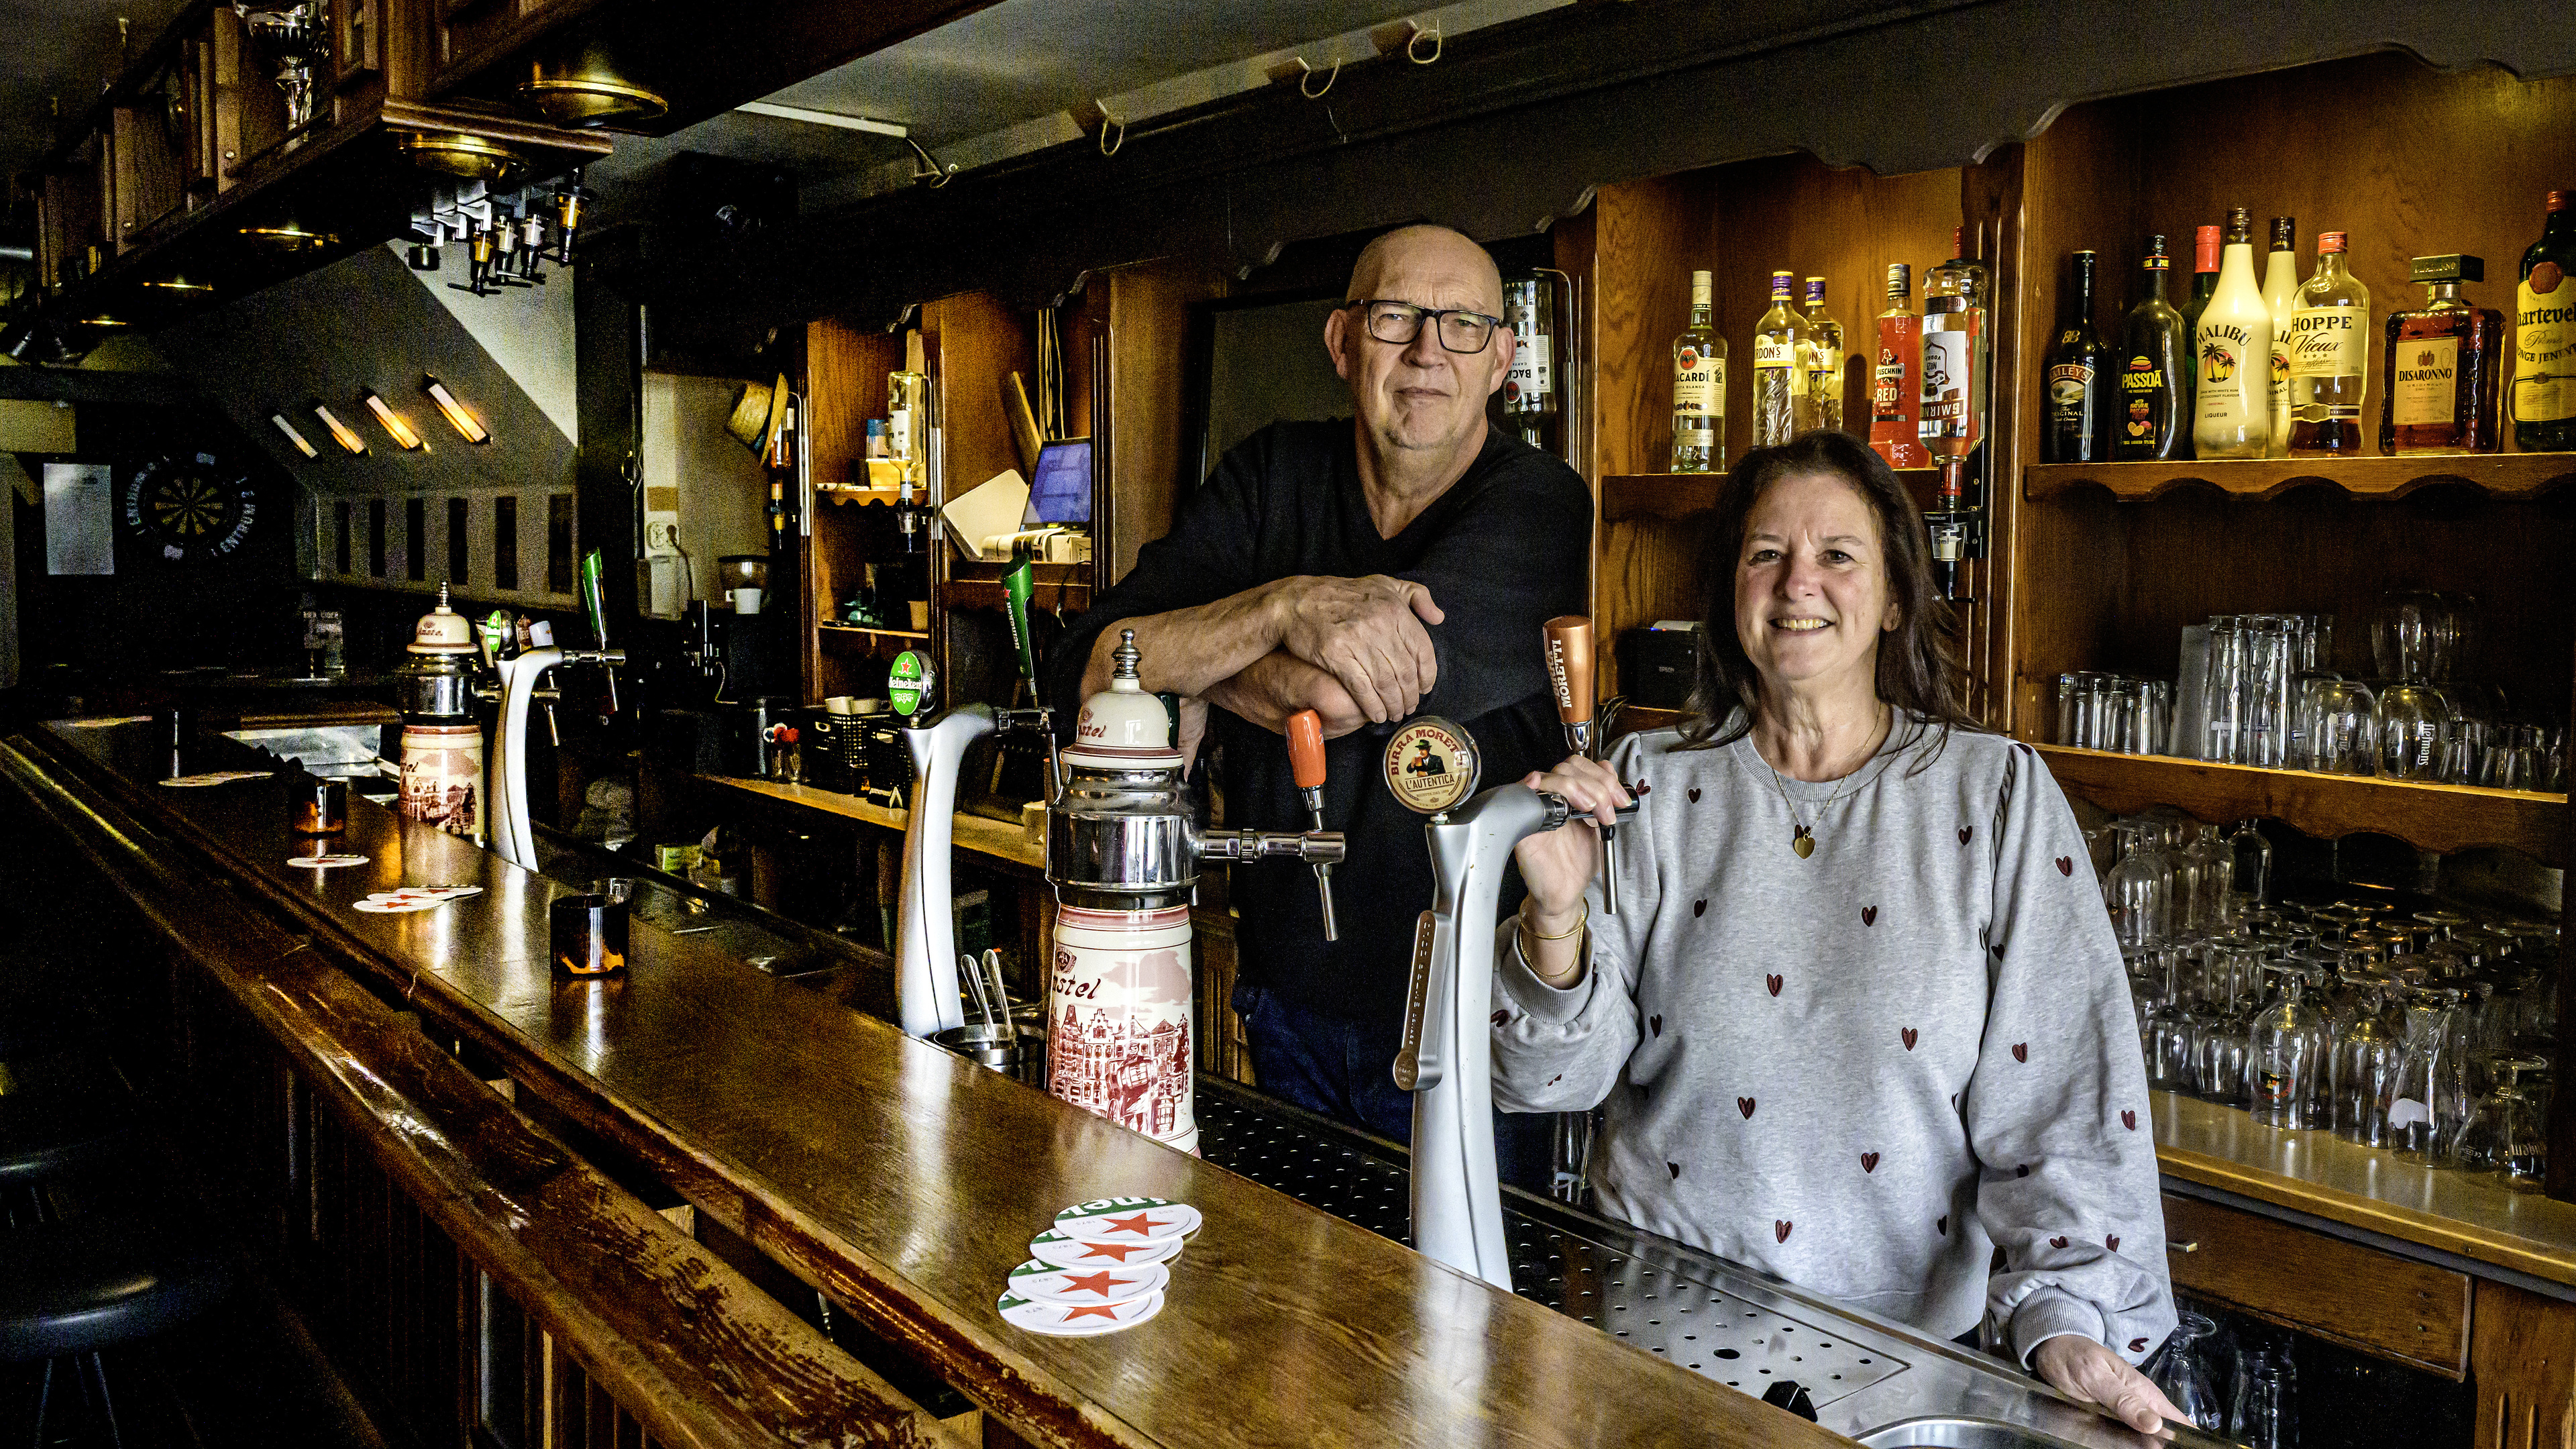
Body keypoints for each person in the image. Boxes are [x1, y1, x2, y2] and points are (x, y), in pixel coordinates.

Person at [1490, 431, 2182, 1433]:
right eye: (1765, 553)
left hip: (1899, 1378)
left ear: (1896, 596)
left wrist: (2068, 1326)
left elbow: (2069, 1103)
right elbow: (1545, 1083)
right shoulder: (1649, 783)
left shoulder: (1994, 796)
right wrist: (1553, 914)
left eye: (1838, 555)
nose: (1797, 582)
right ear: (1731, 589)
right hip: (1652, 1358)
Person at [1042, 224, 1589, 1169]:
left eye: (1462, 325)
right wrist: (1286, 604)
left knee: (1465, 1317)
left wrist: (1202, 659)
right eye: (1395, 318)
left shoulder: (1538, 503)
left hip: (1461, 1028)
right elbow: (1088, 662)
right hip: (1282, 998)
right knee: (1295, 1311)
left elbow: (1341, 697)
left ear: (1503, 359)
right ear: (1343, 343)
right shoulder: (1270, 474)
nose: (1427, 351)